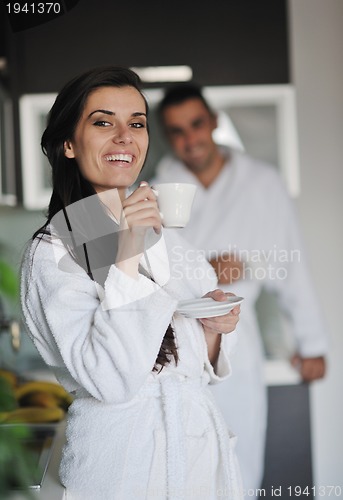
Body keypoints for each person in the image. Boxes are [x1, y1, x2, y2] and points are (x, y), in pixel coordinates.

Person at [20, 67, 244, 500]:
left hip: (196, 459)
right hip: (122, 469)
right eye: (103, 122)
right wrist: (127, 251)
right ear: (68, 143)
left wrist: (215, 330)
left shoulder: (168, 236)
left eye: (136, 123)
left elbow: (194, 363)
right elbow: (112, 381)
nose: (125, 136)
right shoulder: (54, 250)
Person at [152, 83, 328, 497]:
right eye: (177, 131)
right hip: (174, 344)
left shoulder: (262, 183)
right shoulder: (160, 188)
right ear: (167, 136)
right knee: (180, 468)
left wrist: (313, 343)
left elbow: (290, 264)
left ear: (214, 122)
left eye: (196, 124)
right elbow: (150, 272)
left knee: (240, 462)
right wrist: (204, 271)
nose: (190, 139)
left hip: (237, 340)